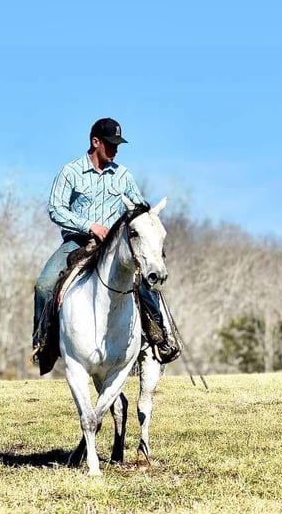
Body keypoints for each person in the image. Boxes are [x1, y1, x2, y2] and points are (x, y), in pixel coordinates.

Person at [31, 117, 180, 365]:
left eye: (117, 144)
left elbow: (140, 208)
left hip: (116, 245)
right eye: (110, 144)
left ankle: (159, 336)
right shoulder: (70, 172)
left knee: (143, 278)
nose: (115, 149)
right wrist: (89, 225)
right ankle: (43, 342)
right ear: (95, 142)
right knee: (44, 285)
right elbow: (56, 209)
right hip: (78, 242)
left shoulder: (123, 175)